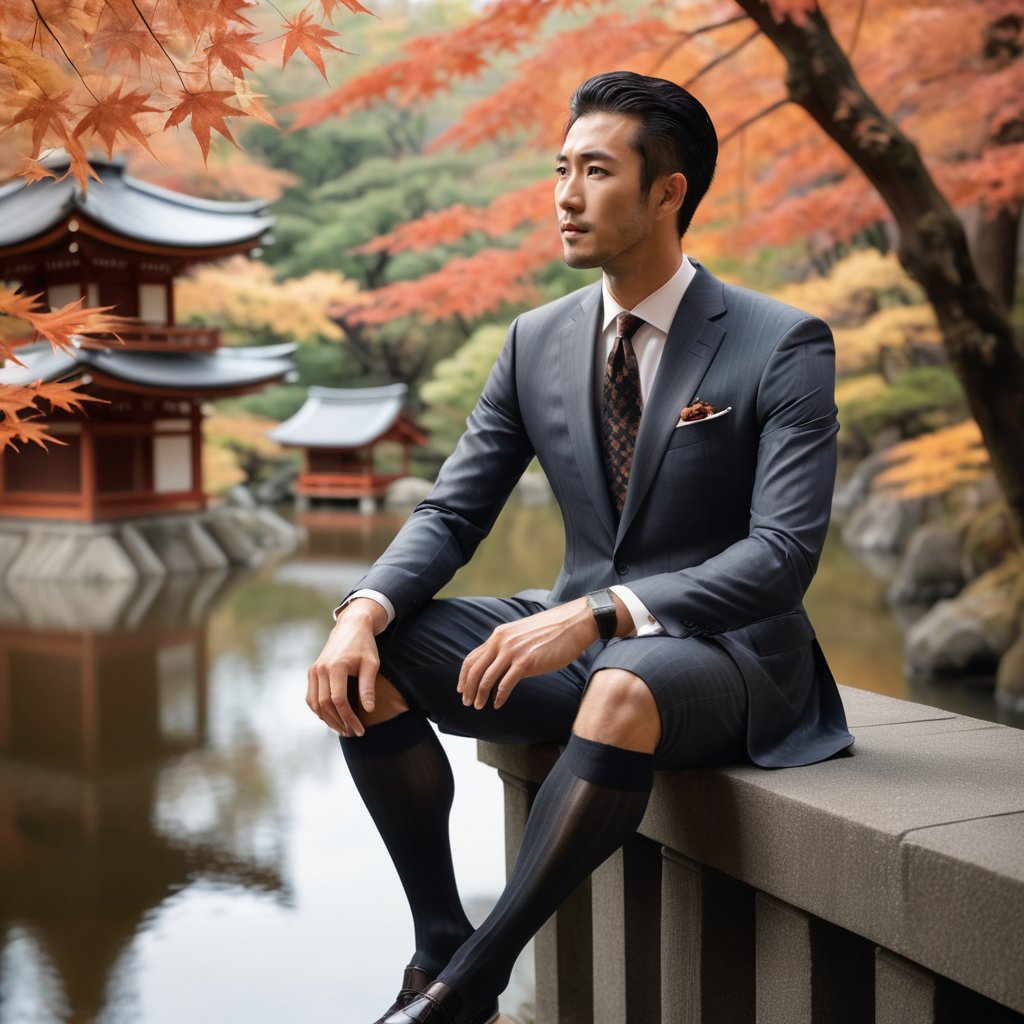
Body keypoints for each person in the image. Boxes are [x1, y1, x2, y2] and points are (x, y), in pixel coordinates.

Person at [307, 70, 854, 1024]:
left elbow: (782, 556)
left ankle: (473, 977)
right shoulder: (534, 341)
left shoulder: (781, 343)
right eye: (560, 168)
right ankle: (436, 938)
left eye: (595, 171)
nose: (563, 195)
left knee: (621, 685)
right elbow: (451, 512)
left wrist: (600, 612)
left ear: (667, 192)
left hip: (731, 655)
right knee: (369, 660)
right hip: (587, 635)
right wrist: (361, 609)